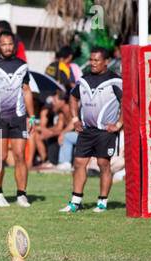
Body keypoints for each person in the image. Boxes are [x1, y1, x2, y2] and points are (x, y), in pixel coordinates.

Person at [59, 47, 123, 213]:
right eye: (91, 60)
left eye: (97, 60)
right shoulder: (83, 80)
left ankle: (102, 202)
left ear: (106, 62)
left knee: (103, 164)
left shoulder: (114, 80)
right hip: (86, 131)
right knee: (79, 163)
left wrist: (118, 124)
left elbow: (126, 102)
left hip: (105, 131)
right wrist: (74, 119)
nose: (92, 63)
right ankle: (76, 202)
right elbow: (73, 97)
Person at [0, 30, 35, 207]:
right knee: (0, 156)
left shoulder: (23, 65)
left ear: (15, 45)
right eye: (4, 44)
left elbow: (26, 91)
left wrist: (31, 116)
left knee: (20, 155)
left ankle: (21, 195)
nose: (8, 47)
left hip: (18, 117)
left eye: (10, 44)